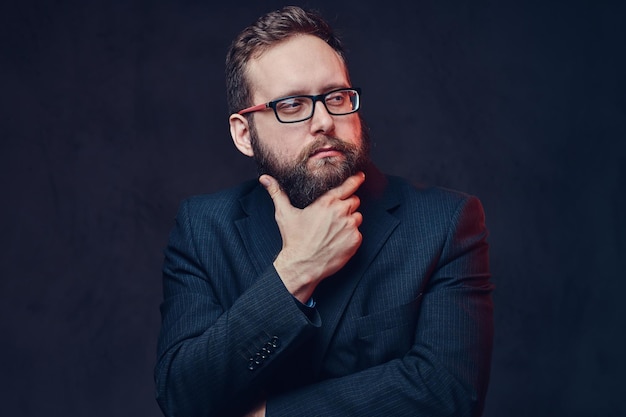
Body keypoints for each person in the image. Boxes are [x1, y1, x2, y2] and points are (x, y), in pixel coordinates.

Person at [154, 5, 494, 417]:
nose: (324, 121)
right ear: (244, 133)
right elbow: (182, 397)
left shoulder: (445, 222)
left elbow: (449, 392)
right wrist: (297, 270)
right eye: (293, 104)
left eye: (336, 97)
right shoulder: (204, 229)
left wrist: (271, 415)